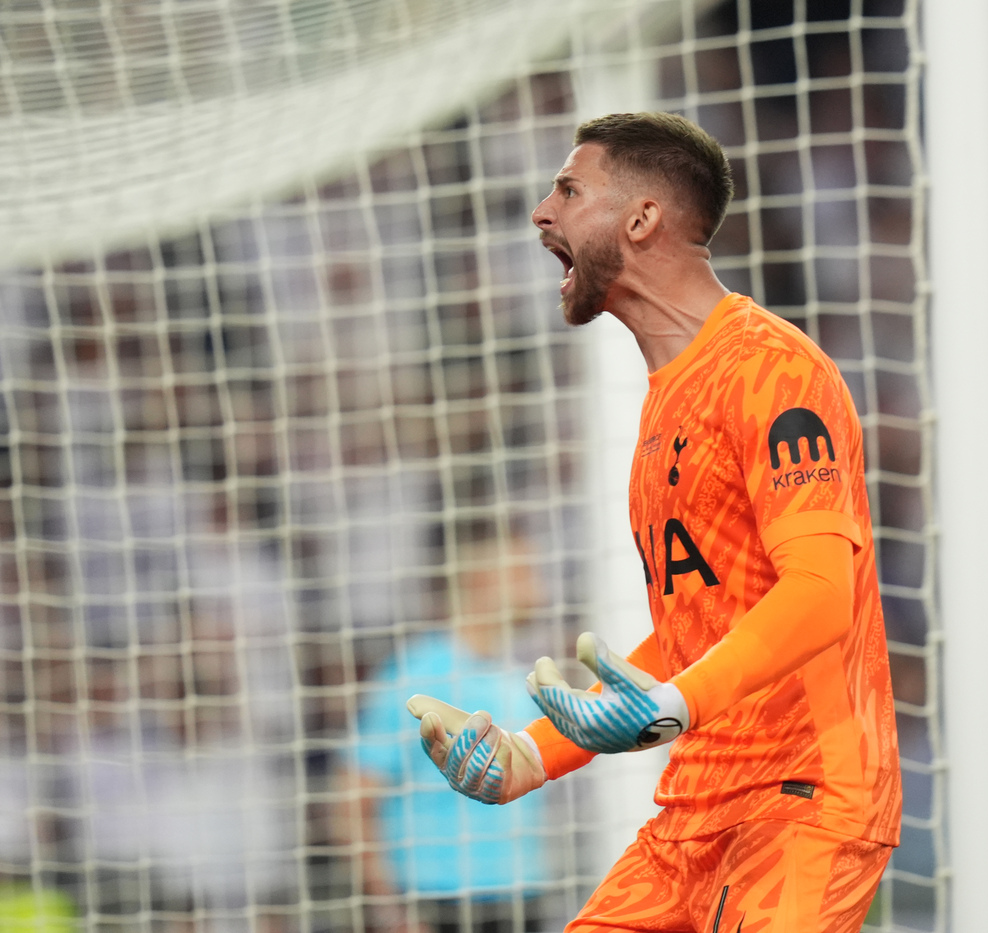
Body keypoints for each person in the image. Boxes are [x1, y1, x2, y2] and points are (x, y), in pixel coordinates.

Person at [409, 111, 901, 932]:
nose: (541, 212)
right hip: (694, 812)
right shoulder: (664, 405)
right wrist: (529, 754)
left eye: (570, 190)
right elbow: (693, 633)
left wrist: (674, 703)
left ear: (642, 219)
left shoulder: (773, 370)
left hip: (803, 800)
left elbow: (823, 593)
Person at [350, 532, 555, 932]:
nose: (537, 585)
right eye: (521, 572)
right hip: (438, 898)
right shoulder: (415, 674)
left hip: (523, 890)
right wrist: (391, 912)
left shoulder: (518, 675)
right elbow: (354, 797)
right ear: (481, 579)